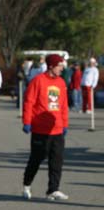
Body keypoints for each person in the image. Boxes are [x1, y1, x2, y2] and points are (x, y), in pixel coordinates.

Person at [22, 54, 69, 201]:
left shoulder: (61, 82)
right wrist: (27, 121)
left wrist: (65, 124)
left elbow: (64, 105)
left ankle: (52, 190)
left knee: (57, 160)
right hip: (40, 129)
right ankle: (27, 184)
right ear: (51, 66)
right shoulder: (38, 81)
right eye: (59, 65)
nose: (61, 68)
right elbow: (29, 102)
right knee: (36, 158)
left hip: (57, 128)